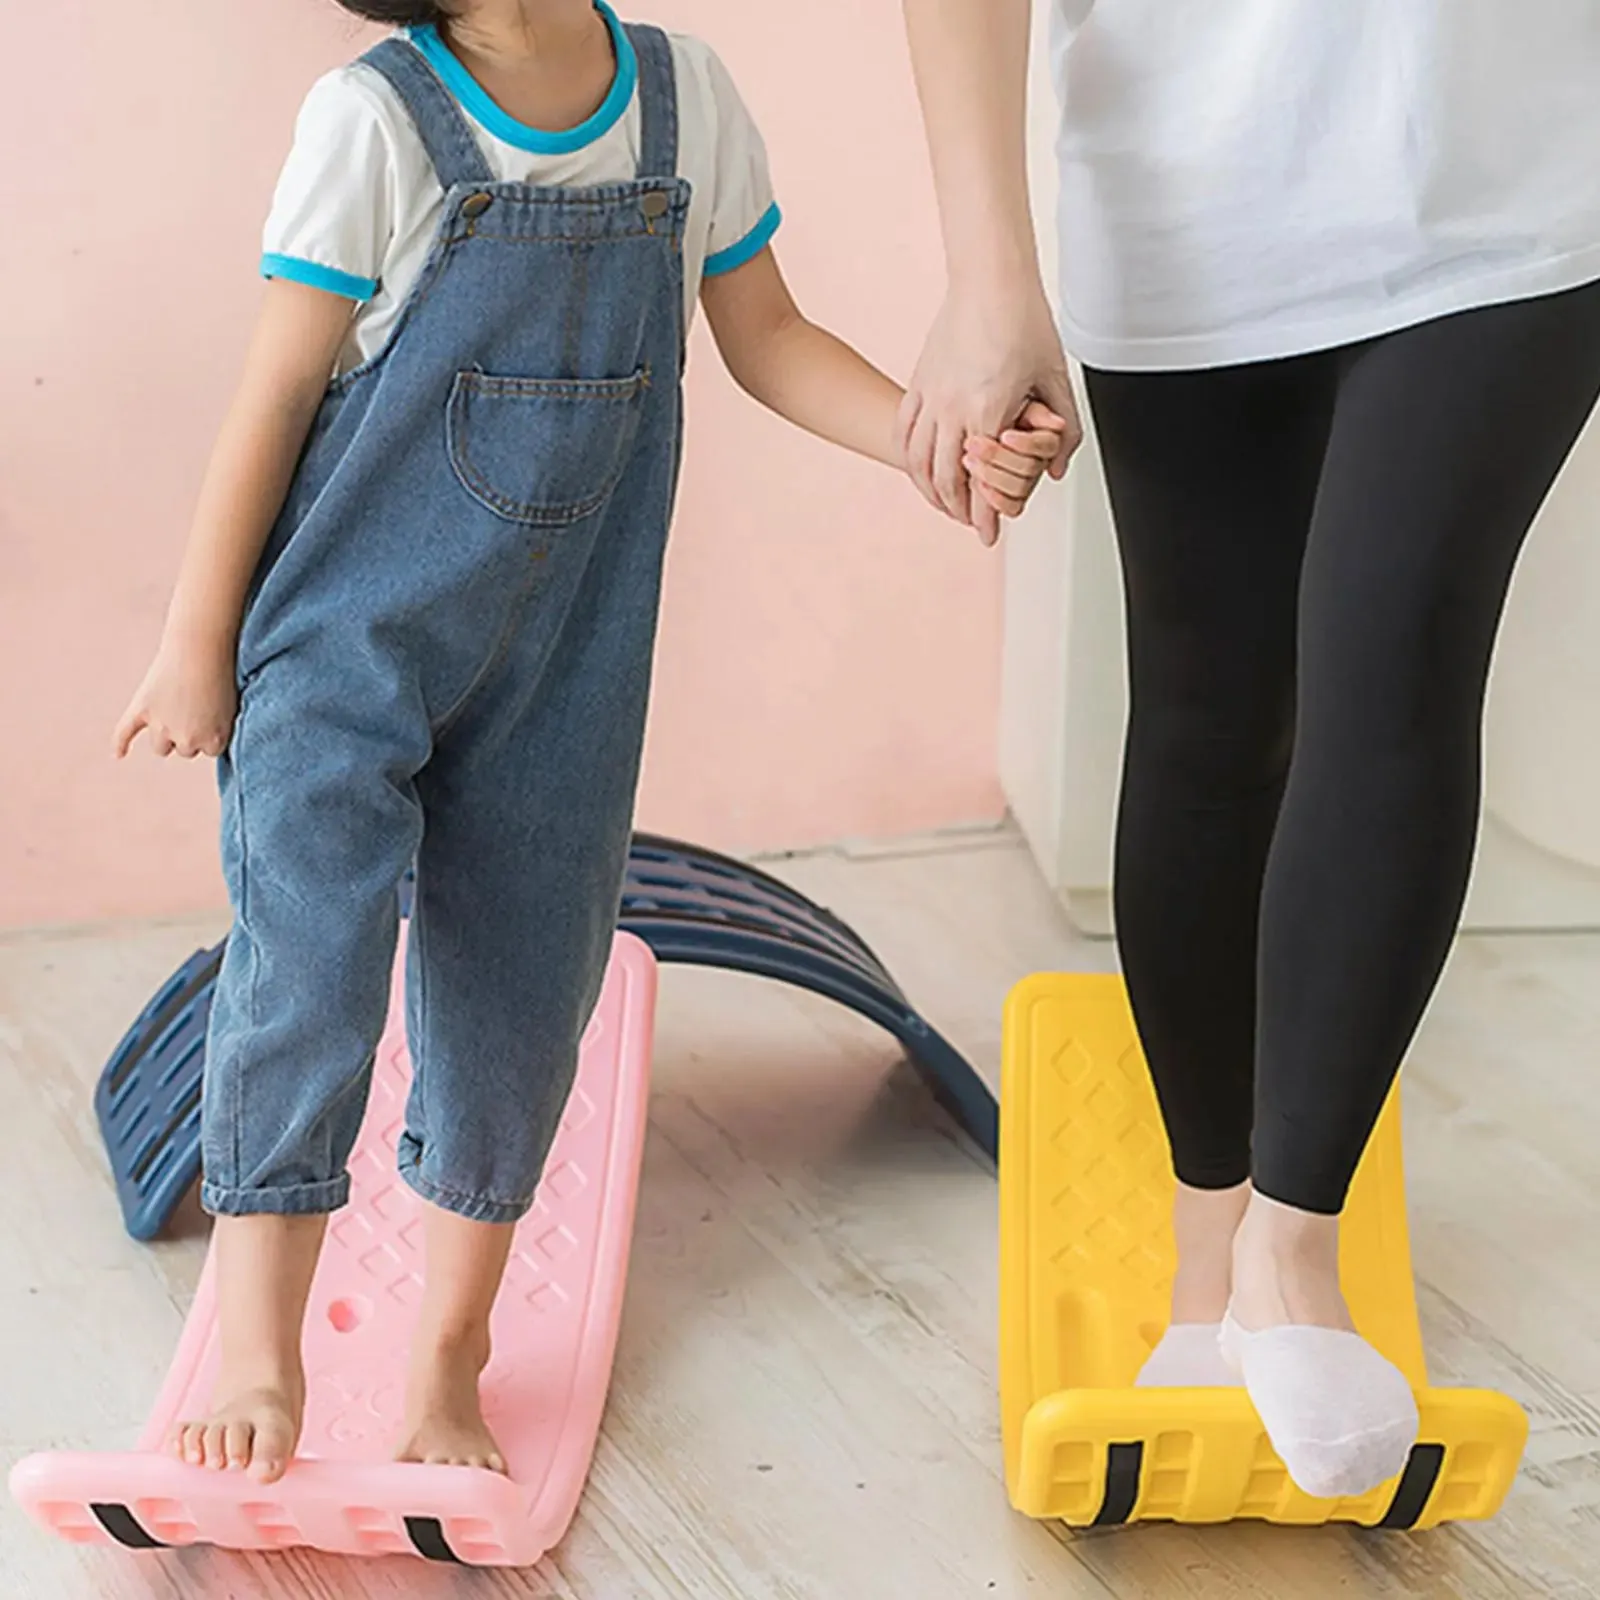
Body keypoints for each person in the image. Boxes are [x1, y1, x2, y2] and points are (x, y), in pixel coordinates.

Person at [113, 0, 1064, 1486]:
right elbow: (275, 391)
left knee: (518, 1001)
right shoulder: (378, 122)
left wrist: (923, 440)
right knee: (306, 970)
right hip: (333, 651)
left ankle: (447, 1353)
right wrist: (194, 640)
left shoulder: (684, 103)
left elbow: (768, 339)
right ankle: (256, 1345)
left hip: (562, 662)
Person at [901, 0, 1600, 1499]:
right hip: (1189, 198)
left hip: (1521, 180)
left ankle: (1291, 1252)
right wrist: (985, 272)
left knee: (1397, 651)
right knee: (1212, 718)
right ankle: (1208, 1257)